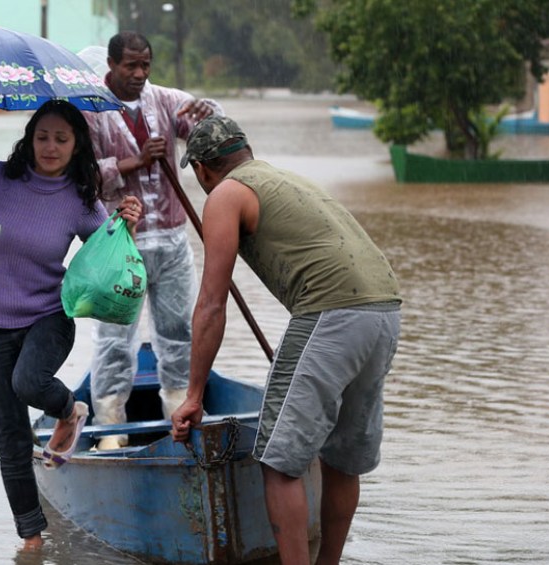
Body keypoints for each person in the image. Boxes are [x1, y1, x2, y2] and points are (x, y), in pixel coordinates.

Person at [170, 115, 402, 565]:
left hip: (331, 313)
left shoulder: (225, 194)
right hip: (384, 312)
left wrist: (194, 395)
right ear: (246, 152)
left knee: (279, 461)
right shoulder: (284, 180)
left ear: (201, 169)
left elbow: (212, 304)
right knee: (342, 460)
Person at [0, 100, 143, 551]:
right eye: (42, 137)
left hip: (49, 318)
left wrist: (128, 228)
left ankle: (69, 410)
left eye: (61, 139)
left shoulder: (80, 198)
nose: (50, 147)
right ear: (29, 138)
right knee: (10, 439)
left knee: (28, 382)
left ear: (76, 145)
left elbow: (111, 262)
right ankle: (32, 542)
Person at [81, 32, 223, 450]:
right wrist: (135, 161)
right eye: (131, 65)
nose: (140, 73)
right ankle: (110, 429)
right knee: (115, 338)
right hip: (121, 243)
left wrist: (208, 117)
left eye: (145, 65)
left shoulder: (165, 100)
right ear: (112, 65)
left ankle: (180, 415)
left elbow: (214, 130)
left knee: (179, 332)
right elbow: (83, 177)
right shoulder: (89, 111)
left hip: (172, 241)